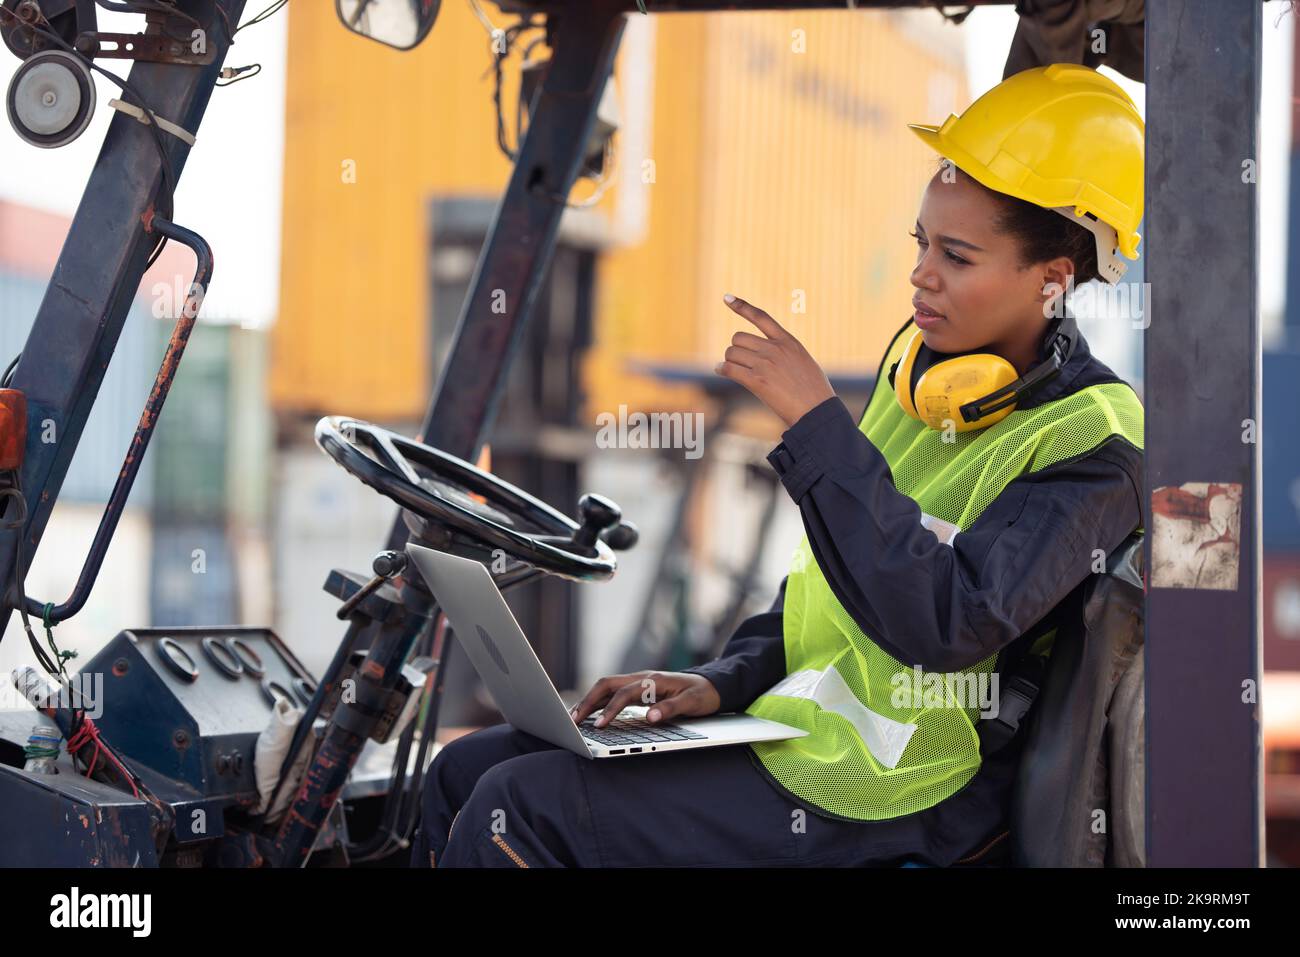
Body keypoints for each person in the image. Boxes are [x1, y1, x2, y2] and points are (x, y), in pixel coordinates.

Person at [410, 63, 1145, 868]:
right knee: (462, 769)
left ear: (1051, 281)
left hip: (903, 793)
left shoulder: (1094, 443)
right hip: (806, 745)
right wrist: (723, 681)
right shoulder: (923, 376)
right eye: (921, 242)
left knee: (516, 812)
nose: (921, 274)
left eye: (958, 256)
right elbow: (828, 590)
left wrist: (818, 425)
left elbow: (949, 623)